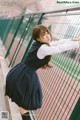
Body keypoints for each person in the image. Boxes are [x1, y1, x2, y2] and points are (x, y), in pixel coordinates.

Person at [5, 25, 80, 120]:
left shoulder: (40, 44)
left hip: (22, 72)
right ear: (38, 38)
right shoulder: (42, 48)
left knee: (25, 104)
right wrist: (76, 44)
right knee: (26, 104)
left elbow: (57, 43)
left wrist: (74, 40)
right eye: (43, 35)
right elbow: (58, 48)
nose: (47, 35)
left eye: (47, 32)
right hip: (25, 75)